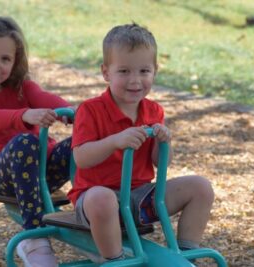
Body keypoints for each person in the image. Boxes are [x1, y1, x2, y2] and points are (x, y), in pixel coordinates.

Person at [67, 22, 215, 263]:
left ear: (154, 71)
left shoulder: (154, 110)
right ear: (106, 73)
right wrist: (115, 141)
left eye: (144, 71)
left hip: (140, 199)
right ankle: (115, 259)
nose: (135, 80)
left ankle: (185, 254)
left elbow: (161, 163)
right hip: (97, 201)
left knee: (201, 187)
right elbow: (81, 158)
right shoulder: (90, 110)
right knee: (102, 199)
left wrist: (163, 142)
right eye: (124, 71)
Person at [0, 16, 73, 267]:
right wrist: (25, 115)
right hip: (3, 174)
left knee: (81, 144)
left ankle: (93, 219)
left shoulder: (22, 88)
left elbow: (46, 98)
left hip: (42, 171)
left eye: (5, 59)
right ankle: (34, 239)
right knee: (25, 143)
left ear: (15, 62)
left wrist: (78, 114)